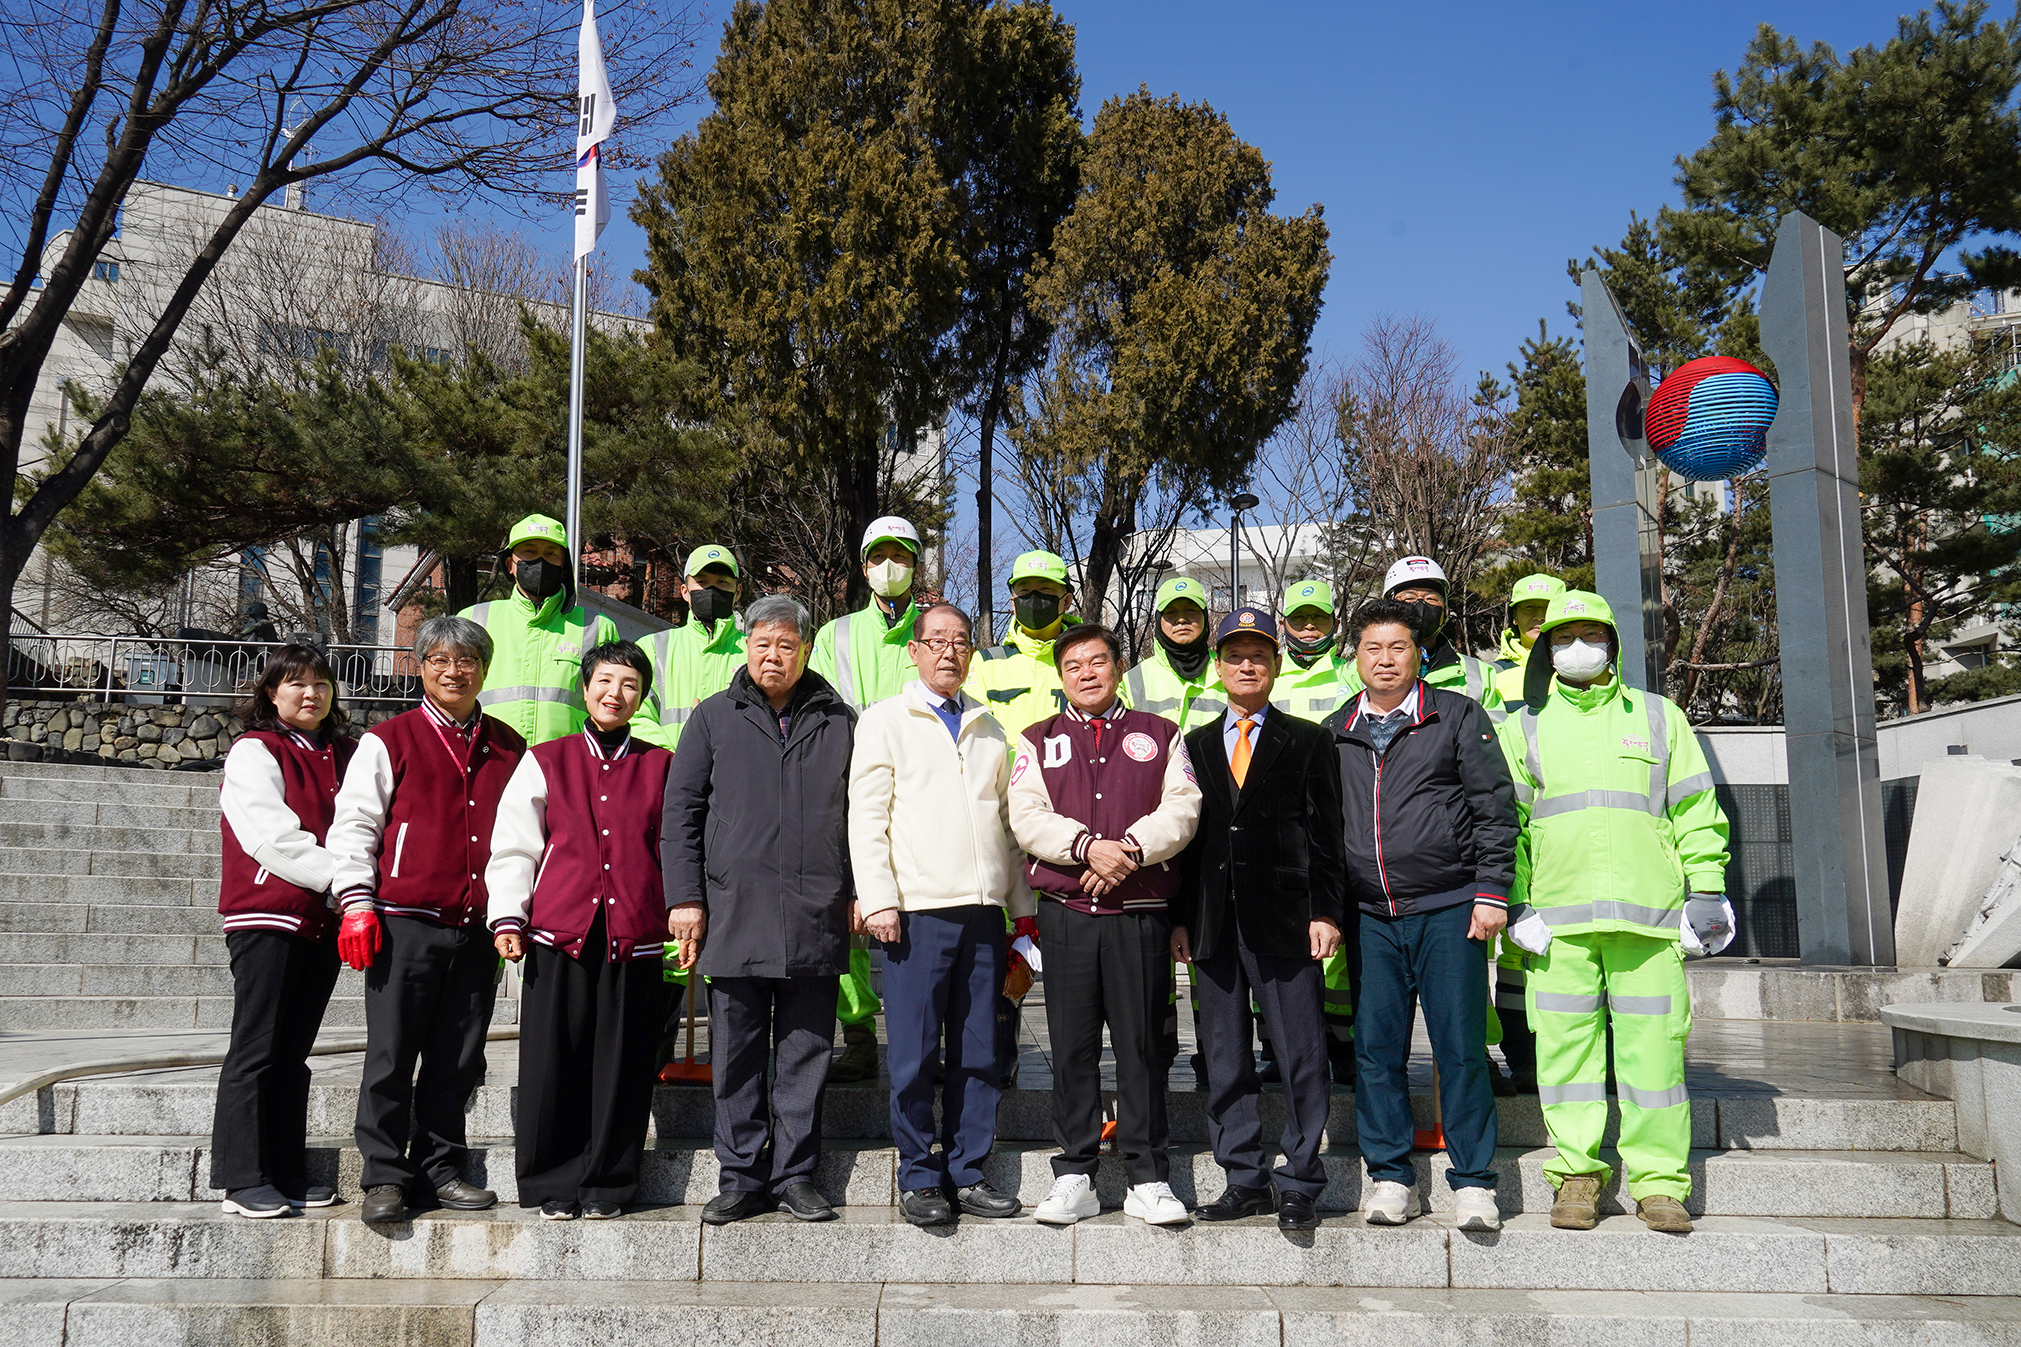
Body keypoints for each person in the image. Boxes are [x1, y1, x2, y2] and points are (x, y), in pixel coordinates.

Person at [1498, 589, 1733, 1234]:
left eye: (1591, 634)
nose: (1578, 647)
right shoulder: (1524, 727)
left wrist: (1707, 891)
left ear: (1613, 643)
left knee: (1654, 1057)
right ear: (1548, 649)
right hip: (1559, 926)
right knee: (1565, 1059)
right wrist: (1517, 903)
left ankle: (1659, 1182)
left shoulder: (1661, 719)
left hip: (1649, 923)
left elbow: (1694, 809)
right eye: (1564, 636)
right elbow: (1507, 826)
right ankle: (1577, 1175)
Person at [661, 595, 857, 1226]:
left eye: (787, 645)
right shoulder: (714, 718)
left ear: (805, 650)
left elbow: (863, 816)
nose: (774, 656)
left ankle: (797, 1173)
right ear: (745, 647)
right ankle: (741, 1174)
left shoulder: (839, 720)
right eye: (762, 644)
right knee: (737, 1052)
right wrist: (686, 898)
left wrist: (859, 890)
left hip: (815, 912)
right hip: (733, 909)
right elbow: (681, 814)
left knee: (806, 1052)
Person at [1322, 598, 1516, 1234]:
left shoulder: (1456, 716)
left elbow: (1493, 808)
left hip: (1448, 908)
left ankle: (1474, 1181)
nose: (1385, 660)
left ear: (1418, 654)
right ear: (1355, 656)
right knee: (1376, 1050)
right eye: (1373, 649)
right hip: (1369, 916)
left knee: (1460, 1047)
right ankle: (1389, 1176)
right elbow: (1321, 832)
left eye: (1397, 648)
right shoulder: (1334, 730)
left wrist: (1491, 892)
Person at [327, 616, 528, 1225]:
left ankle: (441, 1166)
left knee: (458, 1056)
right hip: (404, 920)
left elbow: (523, 835)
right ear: (420, 667)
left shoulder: (508, 746)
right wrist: (357, 901)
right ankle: (384, 1175)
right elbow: (356, 823)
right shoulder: (388, 739)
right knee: (392, 1053)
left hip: (476, 926)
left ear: (484, 671)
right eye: (440, 659)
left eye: (467, 661)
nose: (454, 671)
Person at [1008, 623, 1202, 1227]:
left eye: (1097, 662)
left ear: (1118, 668)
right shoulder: (1037, 740)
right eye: (1074, 666)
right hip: (1067, 917)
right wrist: (1088, 846)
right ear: (1061, 676)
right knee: (1071, 1046)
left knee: (1143, 1045)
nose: (1086, 674)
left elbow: (1184, 807)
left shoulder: (1160, 734)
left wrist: (1131, 851)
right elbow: (1026, 816)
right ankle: (1074, 1174)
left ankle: (1148, 1175)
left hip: (1139, 915)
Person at [848, 602, 1032, 1227]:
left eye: (961, 641)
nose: (949, 651)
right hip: (916, 913)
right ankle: (919, 1173)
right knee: (915, 1052)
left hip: (984, 913)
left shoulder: (989, 727)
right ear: (914, 650)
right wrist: (877, 899)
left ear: (972, 654)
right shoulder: (884, 721)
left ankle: (968, 1170)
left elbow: (1006, 827)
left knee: (980, 1049)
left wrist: (1022, 911)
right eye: (937, 641)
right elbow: (867, 818)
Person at [487, 640, 675, 1221]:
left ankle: (608, 1185)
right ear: (585, 688)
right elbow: (517, 844)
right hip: (560, 930)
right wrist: (508, 915)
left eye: (629, 685)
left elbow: (676, 848)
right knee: (552, 1062)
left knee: (622, 1065)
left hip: (634, 934)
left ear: (641, 696)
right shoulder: (546, 760)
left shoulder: (661, 764)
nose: (615, 694)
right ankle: (551, 1184)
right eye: (605, 681)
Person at [1171, 608, 1345, 1232]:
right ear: (1217, 668)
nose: (1247, 665)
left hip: (1288, 920)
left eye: (1259, 655)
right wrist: (1180, 919)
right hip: (1214, 923)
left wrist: (1325, 910)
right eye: (1235, 655)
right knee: (1224, 1054)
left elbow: (1328, 833)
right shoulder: (1190, 745)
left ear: (1275, 665)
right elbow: (1185, 842)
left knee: (1300, 1051)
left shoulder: (1308, 738)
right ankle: (1242, 1176)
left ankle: (1299, 1178)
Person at [210, 645, 357, 1219]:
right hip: (268, 913)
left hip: (324, 918)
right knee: (258, 1046)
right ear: (272, 692)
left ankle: (286, 1171)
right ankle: (242, 1177)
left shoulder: (344, 753)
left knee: (293, 1050)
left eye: (321, 683)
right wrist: (344, 881)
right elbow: (269, 835)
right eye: (296, 683)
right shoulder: (255, 751)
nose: (311, 693)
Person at [808, 517, 925, 1082]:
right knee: (851, 908)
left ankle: (925, 1036)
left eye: (900, 555)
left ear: (915, 565)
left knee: (926, 910)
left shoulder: (933, 631)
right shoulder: (836, 635)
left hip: (923, 790)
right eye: (879, 555)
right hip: (852, 787)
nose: (889, 565)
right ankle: (858, 1033)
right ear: (863, 565)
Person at [1267, 579, 1357, 1084]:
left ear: (1333, 625)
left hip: (1332, 820)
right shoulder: (1265, 677)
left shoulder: (1350, 678)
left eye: (1317, 619)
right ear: (1284, 625)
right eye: (1298, 619)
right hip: (1274, 828)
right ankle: (1277, 1049)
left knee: (1335, 947)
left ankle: (1342, 1045)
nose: (1307, 627)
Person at [1486, 571, 1567, 1094]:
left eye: (1547, 609)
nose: (1536, 620)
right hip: (1520, 826)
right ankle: (1524, 1058)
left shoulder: (1597, 671)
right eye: (1527, 611)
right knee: (1515, 959)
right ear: (1513, 618)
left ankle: (1578, 1062)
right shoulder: (1496, 679)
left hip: (1572, 836)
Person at [459, 513, 620, 746]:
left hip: (565, 765)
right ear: (509, 565)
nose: (540, 561)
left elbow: (612, 706)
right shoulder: (473, 620)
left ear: (564, 567)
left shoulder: (597, 628)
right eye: (530, 552)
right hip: (490, 760)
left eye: (551, 554)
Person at [637, 544, 746, 750]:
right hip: (669, 777)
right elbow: (636, 716)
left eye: (722, 582)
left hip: (735, 778)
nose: (712, 589)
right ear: (685, 592)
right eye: (702, 581)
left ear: (737, 591)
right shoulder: (651, 648)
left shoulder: (756, 652)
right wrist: (672, 763)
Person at [965, 550, 1079, 737]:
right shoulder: (986, 664)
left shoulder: (1088, 663)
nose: (1034, 599)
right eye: (1025, 591)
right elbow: (973, 736)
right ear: (1013, 603)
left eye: (1045, 590)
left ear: (1066, 601)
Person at [1379, 556, 1504, 715]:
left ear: (1445, 611)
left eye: (1431, 598)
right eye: (1409, 598)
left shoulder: (1479, 674)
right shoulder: (1361, 670)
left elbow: (1494, 732)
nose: (1420, 605)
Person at [1121, 576, 1221, 731]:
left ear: (1205, 617)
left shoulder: (1230, 671)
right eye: (1171, 612)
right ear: (1158, 620)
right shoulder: (1131, 682)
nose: (1181, 620)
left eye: (1191, 610)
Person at [1490, 573, 1568, 704]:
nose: (1539, 616)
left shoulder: (1587, 669)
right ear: (1514, 616)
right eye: (1529, 607)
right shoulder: (1492, 675)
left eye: (1548, 608)